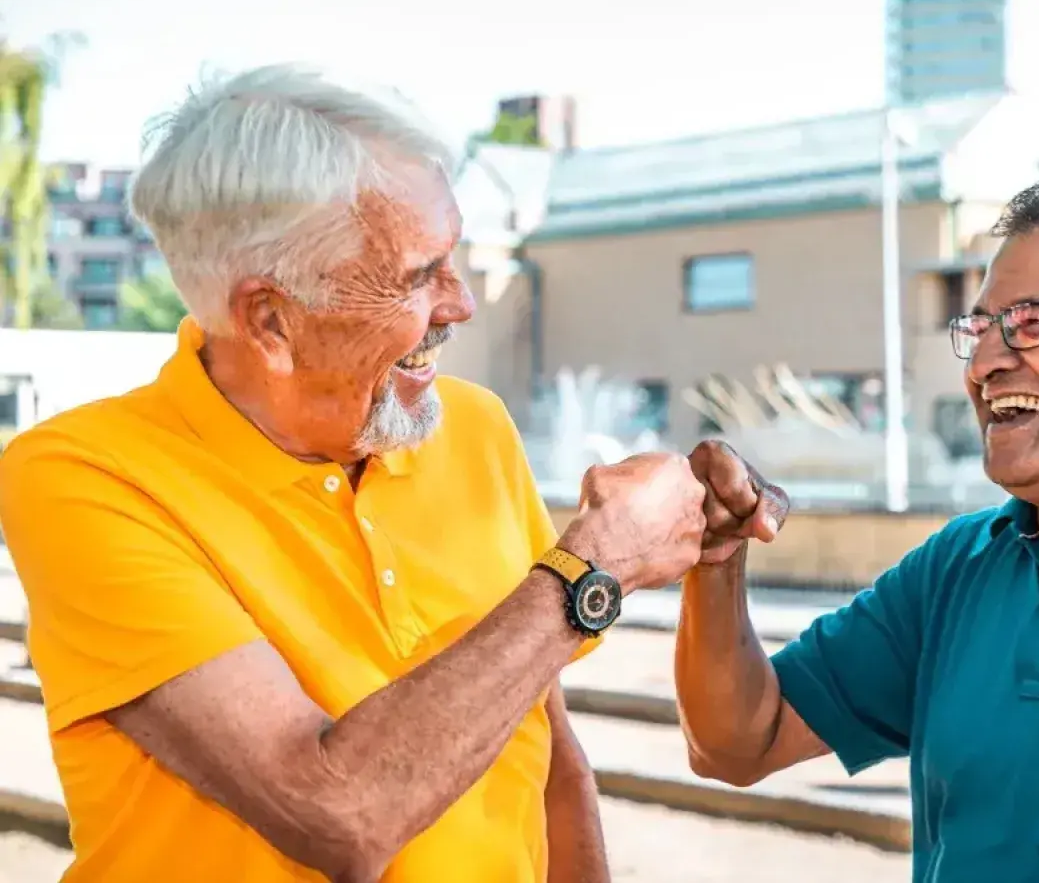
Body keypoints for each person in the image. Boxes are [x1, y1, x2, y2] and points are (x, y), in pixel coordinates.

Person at [0, 64, 709, 883]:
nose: (461, 304)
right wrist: (594, 570)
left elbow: (544, 758)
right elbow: (338, 814)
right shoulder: (83, 477)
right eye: (419, 276)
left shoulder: (473, 427)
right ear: (271, 320)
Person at [675, 173, 1039, 882]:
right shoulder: (960, 566)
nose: (985, 364)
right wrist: (717, 558)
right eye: (980, 327)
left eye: (1035, 322)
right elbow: (738, 741)